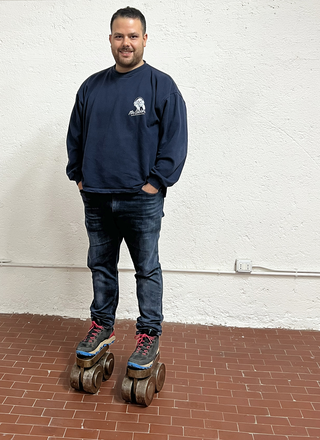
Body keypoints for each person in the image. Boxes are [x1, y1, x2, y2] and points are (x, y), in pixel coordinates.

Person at [66, 6, 187, 370]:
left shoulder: (160, 85)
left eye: (133, 36)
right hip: (98, 197)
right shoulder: (91, 86)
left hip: (141, 199)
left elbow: (175, 141)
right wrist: (79, 175)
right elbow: (75, 136)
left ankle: (148, 335)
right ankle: (102, 326)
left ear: (145, 39)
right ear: (110, 39)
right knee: (101, 266)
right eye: (119, 36)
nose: (126, 43)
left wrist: (155, 183)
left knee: (146, 268)